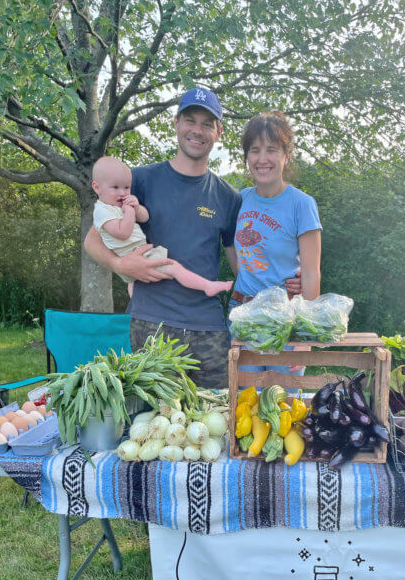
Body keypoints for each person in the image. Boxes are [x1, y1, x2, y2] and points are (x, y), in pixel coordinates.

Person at [84, 87, 301, 388]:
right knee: (156, 425)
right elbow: (93, 241)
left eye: (207, 124)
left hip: (209, 330)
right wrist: (122, 267)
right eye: (190, 120)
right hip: (151, 325)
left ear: (218, 131)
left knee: (218, 421)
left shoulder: (229, 197)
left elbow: (245, 264)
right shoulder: (139, 180)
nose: (197, 130)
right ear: (176, 123)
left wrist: (287, 283)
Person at [228, 111, 322, 374]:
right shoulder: (238, 200)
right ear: (247, 156)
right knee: (243, 406)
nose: (262, 159)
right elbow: (231, 248)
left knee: (283, 407)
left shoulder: (301, 204)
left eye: (271, 149)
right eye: (254, 150)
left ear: (286, 155)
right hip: (243, 313)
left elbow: (312, 271)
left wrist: (307, 338)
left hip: (286, 317)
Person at [91, 155, 233, 299]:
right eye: (115, 187)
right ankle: (207, 286)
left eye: (127, 188)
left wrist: (137, 207)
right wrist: (128, 212)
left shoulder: (119, 204)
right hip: (133, 255)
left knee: (135, 284)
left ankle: (137, 302)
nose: (122, 192)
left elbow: (145, 217)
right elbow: (123, 233)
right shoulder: (102, 211)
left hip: (139, 252)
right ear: (97, 187)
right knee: (174, 268)